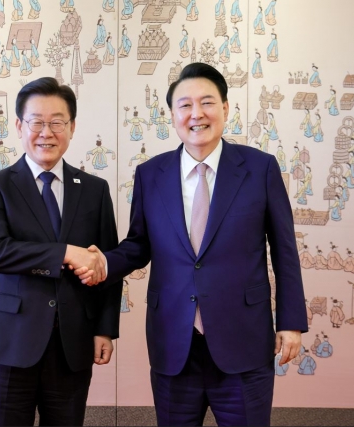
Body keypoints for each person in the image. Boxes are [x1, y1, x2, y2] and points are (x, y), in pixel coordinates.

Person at [77, 63, 307, 426]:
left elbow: (284, 252)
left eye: (207, 102)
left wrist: (291, 322)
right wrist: (103, 262)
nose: (196, 114)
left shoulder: (259, 168)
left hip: (243, 340)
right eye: (185, 105)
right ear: (172, 115)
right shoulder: (151, 174)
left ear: (226, 109)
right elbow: (138, 245)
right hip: (174, 342)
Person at [0, 77, 122, 426]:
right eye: (36, 122)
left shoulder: (94, 190)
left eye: (57, 122)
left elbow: (108, 264)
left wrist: (104, 329)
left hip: (73, 343)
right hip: (11, 341)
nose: (46, 132)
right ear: (18, 126)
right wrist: (67, 253)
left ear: (71, 127)